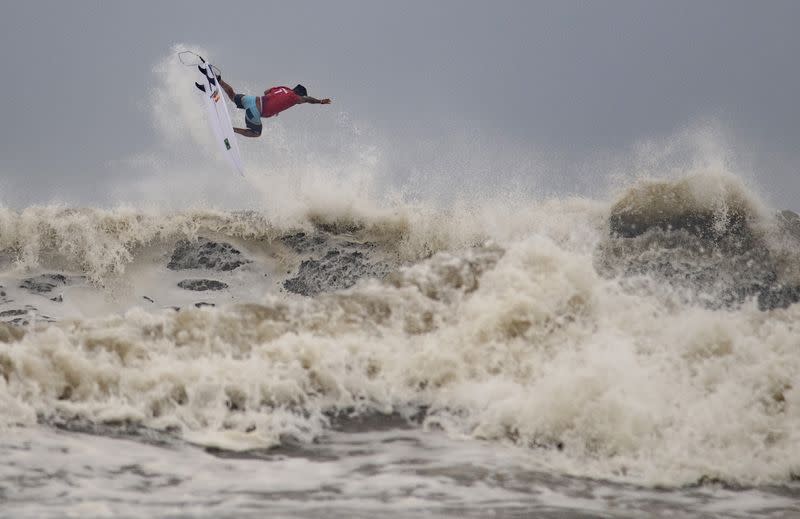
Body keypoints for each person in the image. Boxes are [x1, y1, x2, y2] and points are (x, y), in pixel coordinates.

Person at [215, 74, 331, 138]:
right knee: (257, 133)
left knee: (233, 95)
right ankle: (231, 129)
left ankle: (218, 80)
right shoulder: (295, 97)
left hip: (251, 100)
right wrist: (320, 101)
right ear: (299, 94)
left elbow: (266, 92)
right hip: (255, 111)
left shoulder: (284, 88)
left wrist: (276, 104)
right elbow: (307, 99)